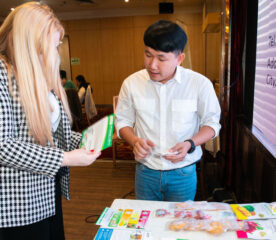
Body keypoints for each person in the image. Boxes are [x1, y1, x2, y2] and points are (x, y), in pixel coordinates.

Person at [0, 2, 100, 240]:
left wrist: (90, 138)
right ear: (29, 43)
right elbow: (3, 145)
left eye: (56, 46)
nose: (54, 54)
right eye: (51, 46)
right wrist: (65, 158)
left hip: (44, 194)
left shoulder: (36, 75)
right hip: (17, 204)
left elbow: (51, 135)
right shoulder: (2, 75)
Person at [115, 20, 221, 202]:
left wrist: (190, 143)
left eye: (161, 58)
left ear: (180, 58)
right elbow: (122, 121)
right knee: (145, 225)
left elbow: (211, 124)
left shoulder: (199, 84)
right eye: (148, 55)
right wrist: (134, 141)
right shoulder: (131, 83)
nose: (152, 64)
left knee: (178, 226)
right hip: (145, 171)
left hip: (183, 173)